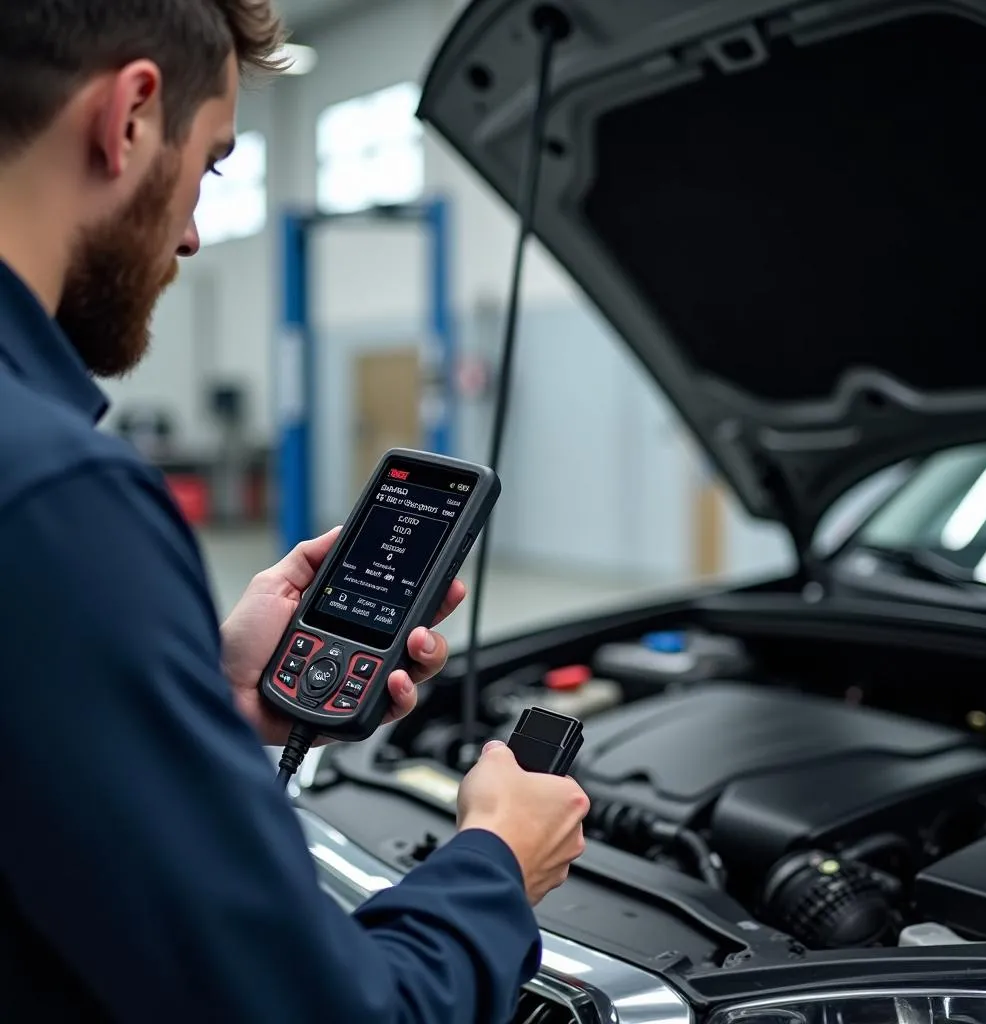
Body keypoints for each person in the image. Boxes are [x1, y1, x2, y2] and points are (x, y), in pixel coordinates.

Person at [0, 2, 591, 1021]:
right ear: (131, 115)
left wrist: (206, 699)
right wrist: (497, 859)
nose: (190, 231)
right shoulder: (56, 499)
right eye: (213, 164)